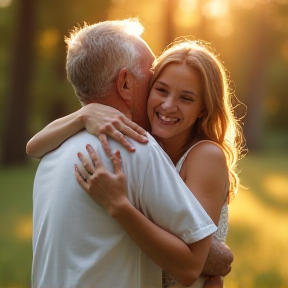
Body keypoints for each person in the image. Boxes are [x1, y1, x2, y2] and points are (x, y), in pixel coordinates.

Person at [29, 19, 234, 288]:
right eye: (157, 86)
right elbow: (202, 257)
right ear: (125, 83)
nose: (168, 105)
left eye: (186, 98)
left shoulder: (52, 155)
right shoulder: (139, 148)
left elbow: (197, 254)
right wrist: (84, 114)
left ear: (202, 108)